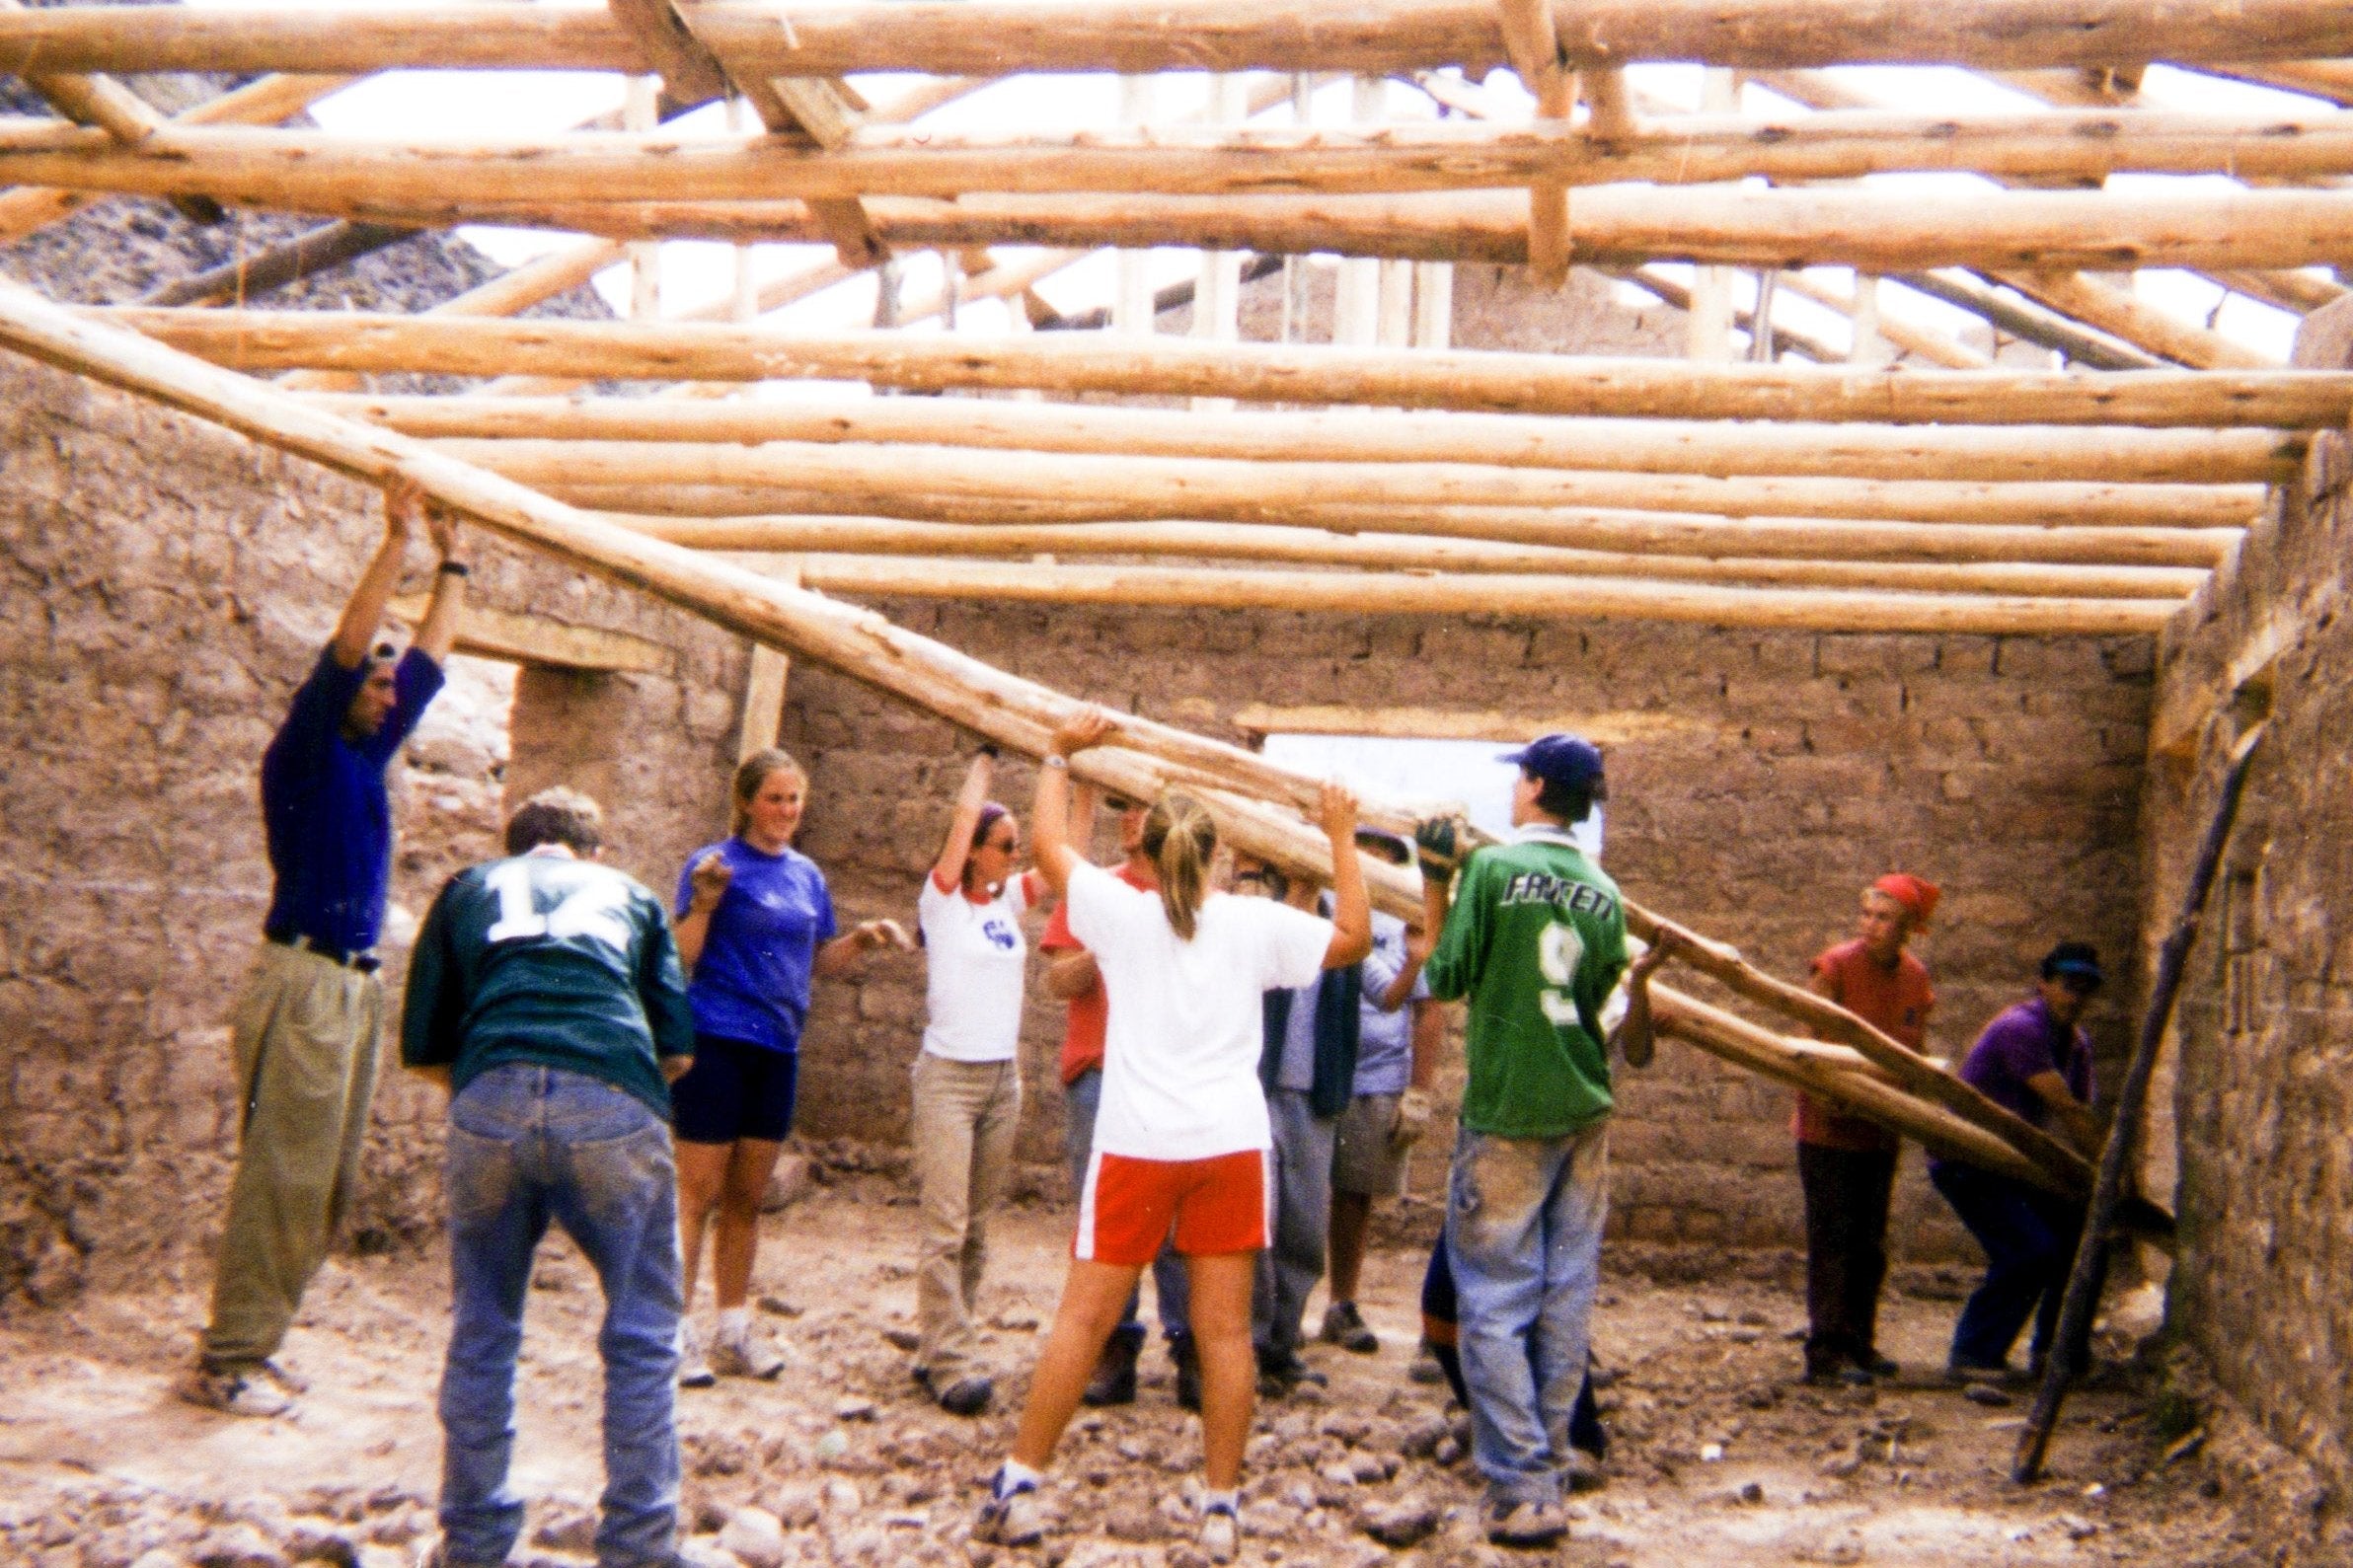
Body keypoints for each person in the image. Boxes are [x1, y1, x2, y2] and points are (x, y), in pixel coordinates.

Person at [976, 710, 1371, 1565]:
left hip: (1139, 1142)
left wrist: (1058, 755)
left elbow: (1047, 846)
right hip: (1227, 1146)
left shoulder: (1122, 916)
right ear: (1219, 854)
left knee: (1082, 1318)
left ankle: (1020, 1484)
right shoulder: (1249, 924)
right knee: (1226, 1334)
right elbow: (1354, 939)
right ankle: (1222, 1506)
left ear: (1147, 850)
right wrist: (1341, 837)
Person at [181, 481, 467, 1417]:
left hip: (348, 986)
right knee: (284, 1174)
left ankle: (256, 1343)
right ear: (341, 691)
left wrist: (454, 558)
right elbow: (354, 644)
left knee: (325, 1180)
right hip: (302, 978)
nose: (388, 693)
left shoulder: (366, 755)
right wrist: (395, 542)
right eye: (373, 684)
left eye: (391, 688)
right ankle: (227, 1358)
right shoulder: (305, 750)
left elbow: (427, 657)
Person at [402, 788, 697, 1568]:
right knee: (641, 1329)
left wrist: (505, 1094)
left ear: (514, 844)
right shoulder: (630, 894)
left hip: (489, 1093)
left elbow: (425, 1043)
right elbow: (678, 1050)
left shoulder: (469, 887)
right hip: (610, 1093)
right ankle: (639, 1543)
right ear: (593, 852)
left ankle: (472, 1540)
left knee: (484, 1325)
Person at [1402, 733, 1644, 1549]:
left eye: (1521, 779)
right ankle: (1552, 1458)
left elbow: (1446, 977)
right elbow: (1604, 995)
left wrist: (1437, 883)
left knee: (1495, 1302)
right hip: (1584, 1107)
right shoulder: (1605, 890)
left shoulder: (1496, 871)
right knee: (1563, 1297)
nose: (1513, 792)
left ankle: (1522, 1484)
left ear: (1538, 786)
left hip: (1508, 1111)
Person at [670, 748, 910, 1385]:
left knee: (748, 1197)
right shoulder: (713, 864)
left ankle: (733, 1329)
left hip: (778, 1047)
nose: (785, 810)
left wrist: (859, 940)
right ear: (747, 800)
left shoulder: (806, 875)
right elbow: (683, 955)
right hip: (717, 1037)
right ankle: (674, 1331)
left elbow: (814, 960)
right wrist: (704, 905)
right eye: (775, 797)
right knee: (695, 1194)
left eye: (794, 799)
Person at [1039, 785, 1196, 1411]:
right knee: (1105, 1218)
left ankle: (1191, 1349)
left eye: (1141, 808)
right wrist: (1110, 945)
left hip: (1168, 1074)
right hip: (1101, 1071)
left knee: (1178, 1220)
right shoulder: (1093, 889)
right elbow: (1056, 978)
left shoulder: (1195, 898)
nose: (1130, 820)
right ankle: (1112, 1347)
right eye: (1121, 807)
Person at [908, 746, 1046, 1416]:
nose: (1015, 855)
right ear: (974, 851)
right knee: (945, 1223)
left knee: (978, 1228)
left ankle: (941, 1342)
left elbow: (1057, 858)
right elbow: (963, 816)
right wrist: (985, 755)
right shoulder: (941, 904)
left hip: (1001, 1079)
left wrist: (1064, 773)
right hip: (949, 1079)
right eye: (1005, 844)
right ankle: (952, 1360)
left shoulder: (1005, 904)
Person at [1931, 941, 2106, 1382]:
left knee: (2083, 1237)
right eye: (2068, 986)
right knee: (2029, 1250)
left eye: (2086, 989)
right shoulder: (2021, 1028)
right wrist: (2108, 1172)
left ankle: (2058, 1354)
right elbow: (2067, 1108)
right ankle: (1973, 1355)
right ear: (2044, 985)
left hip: (2010, 1162)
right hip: (1967, 1158)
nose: (2076, 997)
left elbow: (2083, 1113)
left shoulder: (2075, 1043)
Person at [1795, 873, 1939, 1386]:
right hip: (1828, 1126)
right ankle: (1826, 1352)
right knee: (1832, 1238)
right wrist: (1831, 1093)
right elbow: (1809, 1042)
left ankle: (1860, 1342)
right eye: (1867, 916)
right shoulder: (1834, 967)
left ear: (1908, 930)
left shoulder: (1915, 978)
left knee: (1869, 1242)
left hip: (1880, 1128)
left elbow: (1913, 1049)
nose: (1872, 927)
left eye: (1886, 919)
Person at [1322, 828, 1436, 1358]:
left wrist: (1418, 1091)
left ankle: (1341, 1303)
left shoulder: (1406, 919)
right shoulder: (1324, 902)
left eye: (1385, 856)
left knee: (1354, 1195)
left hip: (1378, 1072)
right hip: (1322, 1065)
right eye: (1364, 853)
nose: (1374, 863)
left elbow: (1424, 1006)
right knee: (1294, 1188)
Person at [1251, 859, 1359, 1397]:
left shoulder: (1342, 932)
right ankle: (1246, 1344)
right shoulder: (1263, 920)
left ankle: (1281, 1343)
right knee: (1259, 1223)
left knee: (1303, 1229)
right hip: (1262, 1089)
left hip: (1317, 1095)